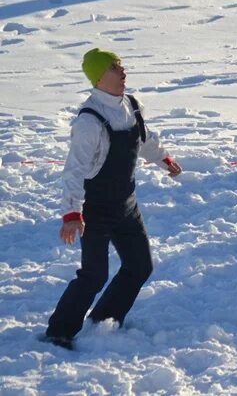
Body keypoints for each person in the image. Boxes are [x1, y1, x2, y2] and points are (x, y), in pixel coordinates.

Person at [44, 49, 184, 350]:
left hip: (126, 203)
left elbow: (144, 139)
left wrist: (163, 159)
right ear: (98, 77)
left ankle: (103, 321)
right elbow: (74, 170)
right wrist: (71, 213)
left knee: (140, 266)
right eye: (114, 67)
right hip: (95, 209)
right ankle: (59, 332)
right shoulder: (89, 121)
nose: (123, 71)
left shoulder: (130, 104)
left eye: (121, 65)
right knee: (94, 276)